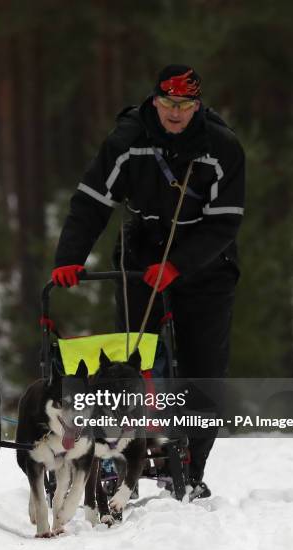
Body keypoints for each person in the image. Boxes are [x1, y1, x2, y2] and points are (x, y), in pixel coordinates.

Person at [51, 65, 245, 497]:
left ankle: (191, 468)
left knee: (203, 367)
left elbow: (224, 223)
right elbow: (91, 201)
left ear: (198, 106)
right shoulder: (127, 141)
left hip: (207, 261)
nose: (176, 114)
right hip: (141, 256)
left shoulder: (221, 147)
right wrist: (69, 258)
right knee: (134, 363)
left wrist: (180, 264)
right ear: (154, 100)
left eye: (186, 105)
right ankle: (121, 456)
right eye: (169, 104)